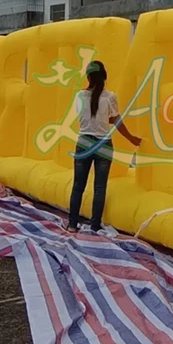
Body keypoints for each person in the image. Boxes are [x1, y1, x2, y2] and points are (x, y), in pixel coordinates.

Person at [67, 61, 141, 234]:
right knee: (99, 187)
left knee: (78, 186)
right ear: (104, 77)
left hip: (84, 143)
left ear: (88, 77)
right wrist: (131, 138)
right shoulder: (110, 97)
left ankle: (72, 224)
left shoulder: (80, 96)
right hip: (103, 145)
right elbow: (115, 121)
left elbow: (83, 117)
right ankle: (94, 225)